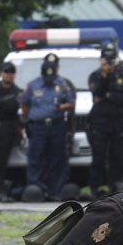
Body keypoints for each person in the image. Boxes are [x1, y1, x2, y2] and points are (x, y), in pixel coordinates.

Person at [19, 54, 74, 200]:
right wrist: (32, 117)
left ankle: (55, 191)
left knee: (57, 159)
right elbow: (24, 105)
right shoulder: (32, 85)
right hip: (38, 127)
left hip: (57, 126)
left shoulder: (62, 84)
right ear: (42, 73)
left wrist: (61, 107)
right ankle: (35, 190)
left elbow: (71, 103)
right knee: (36, 158)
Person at [88, 42, 123, 196]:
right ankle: (96, 188)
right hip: (100, 123)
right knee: (98, 157)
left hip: (119, 122)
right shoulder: (95, 76)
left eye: (111, 59)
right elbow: (97, 93)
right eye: (105, 59)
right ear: (101, 60)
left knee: (117, 156)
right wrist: (105, 77)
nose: (108, 62)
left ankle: (115, 188)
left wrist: (108, 96)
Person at [0, 61, 22, 200]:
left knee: (0, 162)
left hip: (6, 129)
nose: (9, 75)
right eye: (6, 72)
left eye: (12, 72)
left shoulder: (17, 92)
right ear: (1, 73)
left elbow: (12, 108)